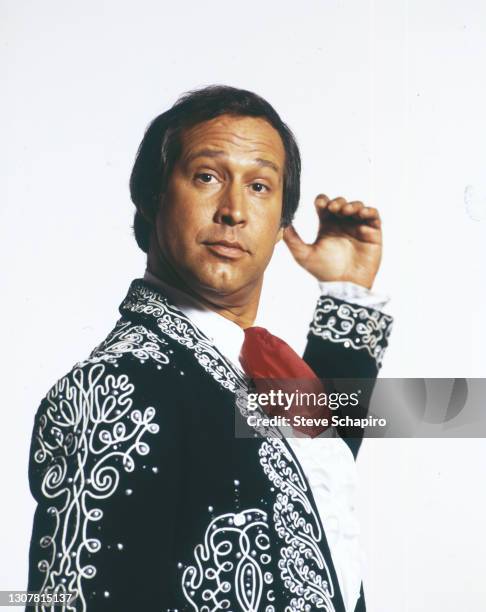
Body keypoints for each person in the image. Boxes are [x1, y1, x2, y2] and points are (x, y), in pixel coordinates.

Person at [26, 85, 393, 611]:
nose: (234, 210)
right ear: (152, 197)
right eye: (207, 176)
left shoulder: (244, 367)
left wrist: (348, 295)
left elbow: (307, 482)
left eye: (260, 186)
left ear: (281, 225)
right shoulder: (112, 387)